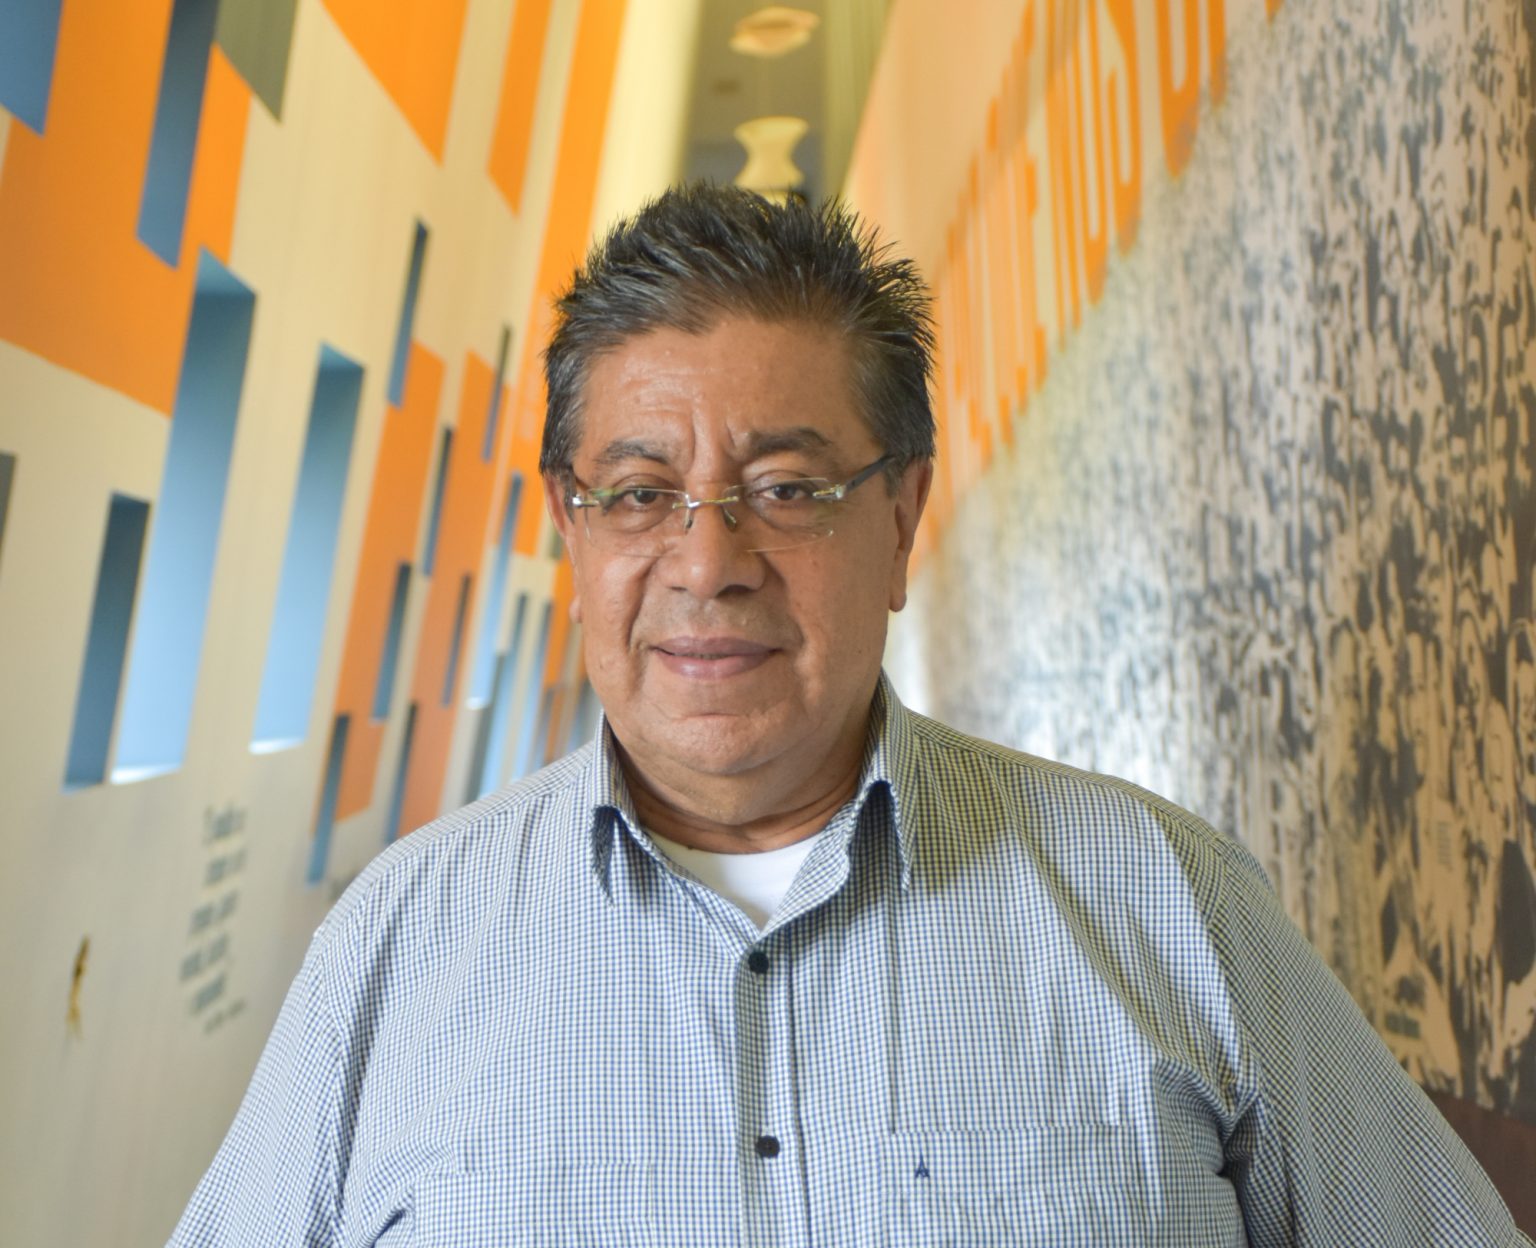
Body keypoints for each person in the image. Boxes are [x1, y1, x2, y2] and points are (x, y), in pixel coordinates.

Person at [170, 184, 1533, 1245]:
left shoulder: (1166, 903)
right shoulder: (395, 953)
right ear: (569, 532)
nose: (709, 564)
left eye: (788, 487)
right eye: (640, 494)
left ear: (900, 516)